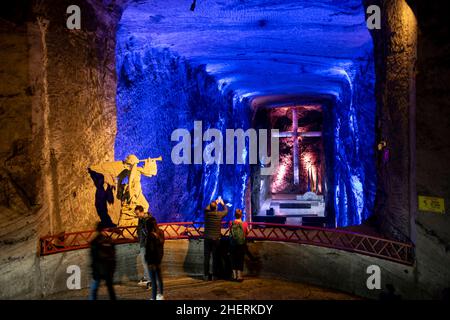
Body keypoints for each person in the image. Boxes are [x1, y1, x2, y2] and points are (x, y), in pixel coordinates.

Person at [89, 222, 116, 300]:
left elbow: (93, 257)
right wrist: (112, 270)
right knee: (111, 290)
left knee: (94, 290)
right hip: (108, 269)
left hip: (98, 270)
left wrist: (93, 270)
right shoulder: (110, 240)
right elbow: (113, 257)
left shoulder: (94, 241)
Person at [203, 196, 228, 281]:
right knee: (215, 257)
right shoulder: (219, 214)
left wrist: (215, 202)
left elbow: (207, 208)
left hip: (207, 238)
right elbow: (226, 211)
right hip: (216, 239)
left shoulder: (207, 214)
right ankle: (214, 275)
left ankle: (206, 275)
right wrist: (222, 203)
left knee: (206, 257)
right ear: (216, 208)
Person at [145, 216, 165, 300]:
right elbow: (161, 246)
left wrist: (149, 262)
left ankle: (153, 298)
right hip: (159, 259)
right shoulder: (161, 232)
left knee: (153, 281)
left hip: (152, 261)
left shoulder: (150, 236)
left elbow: (150, 250)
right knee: (159, 279)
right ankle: (160, 295)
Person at [229, 209, 248, 282]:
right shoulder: (245, 224)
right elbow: (247, 232)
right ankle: (239, 276)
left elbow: (230, 232)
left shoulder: (231, 223)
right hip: (241, 244)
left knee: (233, 259)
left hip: (233, 244)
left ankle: (234, 276)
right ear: (242, 215)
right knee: (240, 259)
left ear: (234, 215)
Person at [135, 205, 151, 287]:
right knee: (145, 262)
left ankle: (149, 280)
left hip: (146, 244)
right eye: (136, 214)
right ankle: (146, 277)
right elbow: (139, 230)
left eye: (137, 213)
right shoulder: (140, 219)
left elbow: (148, 232)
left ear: (142, 212)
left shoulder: (147, 220)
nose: (136, 215)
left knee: (145, 262)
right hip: (142, 243)